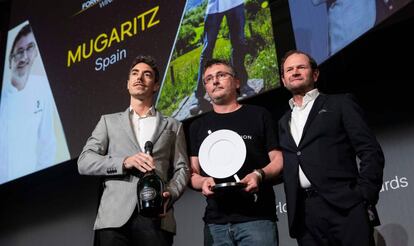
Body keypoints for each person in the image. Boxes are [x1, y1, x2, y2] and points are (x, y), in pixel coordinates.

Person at [78, 55, 190, 246]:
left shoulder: (173, 126)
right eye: (135, 74)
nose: (139, 78)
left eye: (147, 75)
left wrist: (169, 194)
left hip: (156, 216)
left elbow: (183, 169)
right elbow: (84, 161)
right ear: (128, 84)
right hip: (113, 219)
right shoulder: (108, 122)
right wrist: (124, 162)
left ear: (155, 85)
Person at [278, 50, 384, 246]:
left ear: (315, 74)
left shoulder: (340, 103)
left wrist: (364, 195)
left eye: (301, 67)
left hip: (345, 207)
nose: (295, 72)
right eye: (289, 70)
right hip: (305, 215)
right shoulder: (283, 122)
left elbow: (370, 150)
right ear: (284, 80)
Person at [188, 59, 283, 245]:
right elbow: (192, 173)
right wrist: (202, 182)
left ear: (237, 82)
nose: (215, 81)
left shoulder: (259, 115)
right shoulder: (197, 126)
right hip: (215, 222)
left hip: (257, 217)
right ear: (206, 88)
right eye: (208, 79)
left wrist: (259, 174)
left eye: (221, 75)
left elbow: (278, 159)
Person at [0, 23, 61, 183]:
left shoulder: (43, 87)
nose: (24, 57)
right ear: (10, 58)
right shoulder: (3, 99)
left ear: (35, 53)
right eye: (19, 52)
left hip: (31, 187)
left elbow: (47, 143)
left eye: (29, 49)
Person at [189, 0, 256, 115]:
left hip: (235, 4)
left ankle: (242, 84)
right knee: (207, 50)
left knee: (239, 43)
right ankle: (199, 96)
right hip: (214, 7)